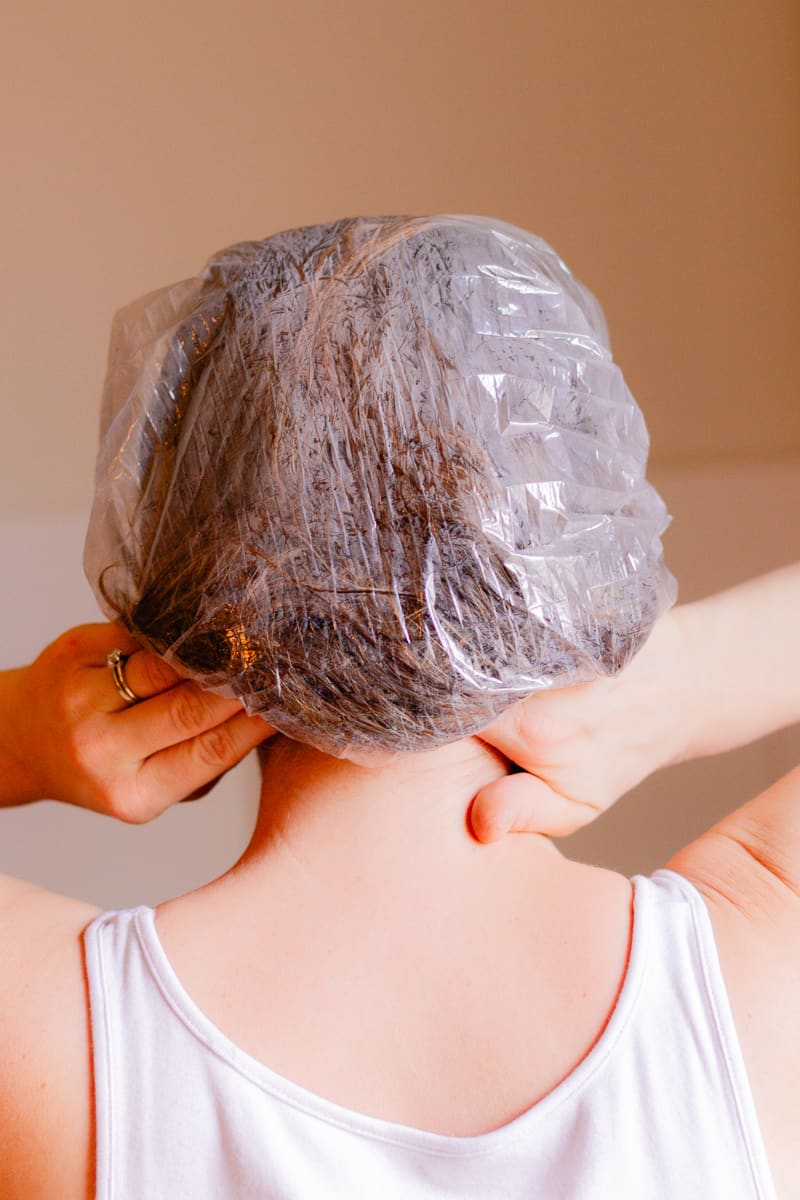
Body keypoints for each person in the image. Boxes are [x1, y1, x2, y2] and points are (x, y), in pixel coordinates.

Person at [1, 215, 797, 1199]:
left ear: (183, 583)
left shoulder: (53, 1035)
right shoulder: (757, 975)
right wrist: (683, 679)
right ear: (566, 552)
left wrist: (18, 740)